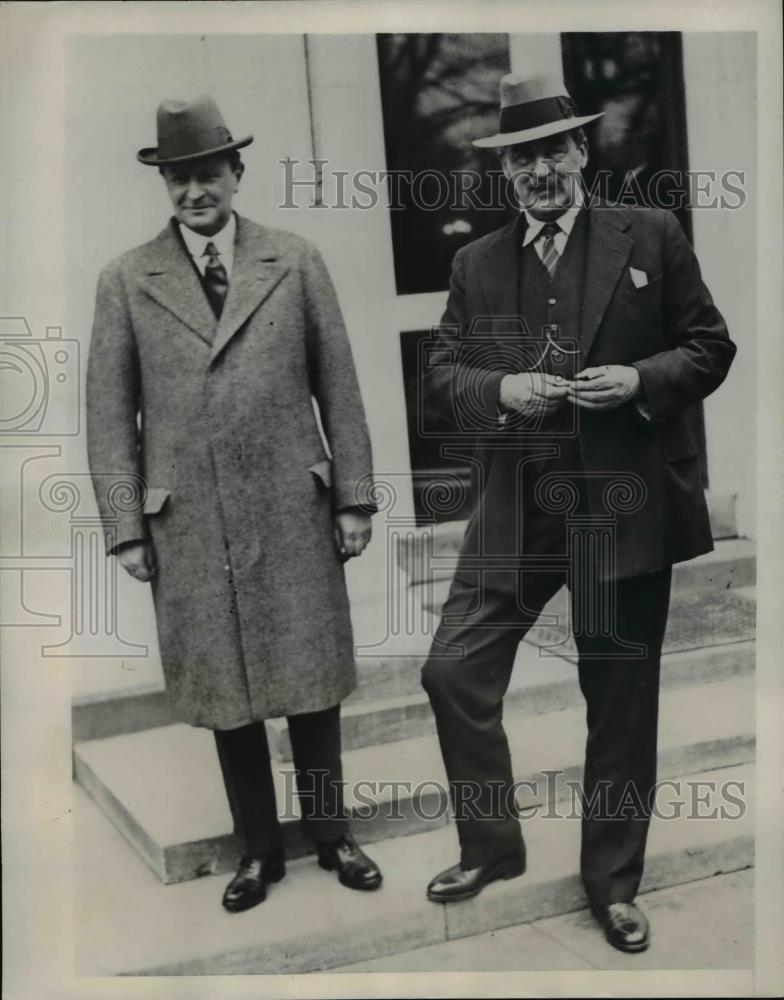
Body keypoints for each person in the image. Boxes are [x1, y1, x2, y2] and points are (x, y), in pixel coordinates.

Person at [420, 72, 736, 953]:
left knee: (621, 703)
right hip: (518, 512)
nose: (538, 171)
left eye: (550, 150)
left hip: (622, 511)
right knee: (453, 673)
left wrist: (640, 381)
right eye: (520, 159)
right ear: (506, 172)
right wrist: (504, 387)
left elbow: (710, 346)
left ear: (579, 151)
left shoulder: (652, 236)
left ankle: (614, 883)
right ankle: (492, 845)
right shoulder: (475, 265)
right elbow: (443, 380)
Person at [86, 95, 382, 913]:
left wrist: (353, 498)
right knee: (228, 692)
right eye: (178, 179)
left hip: (293, 506)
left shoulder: (294, 259)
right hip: (190, 523)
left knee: (313, 678)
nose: (194, 192)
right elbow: (109, 419)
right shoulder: (125, 280)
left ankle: (333, 834)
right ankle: (258, 851)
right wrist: (125, 530)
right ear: (164, 185)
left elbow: (341, 388)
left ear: (236, 173)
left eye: (208, 174)